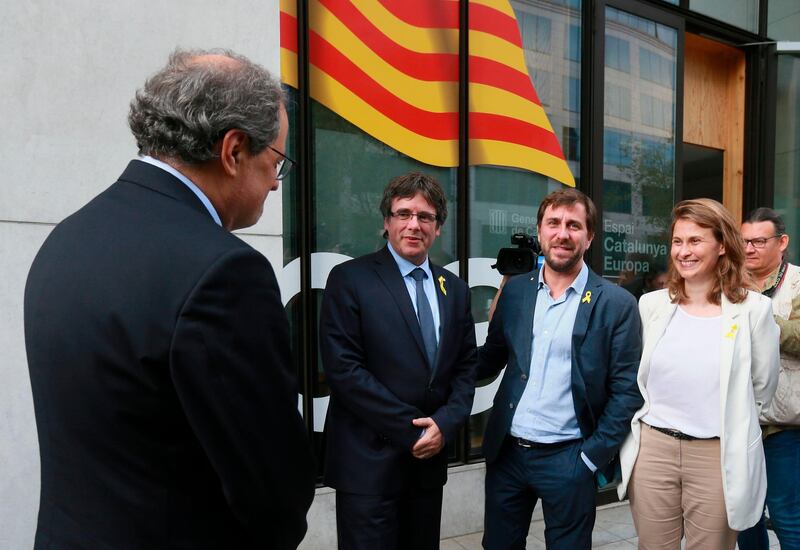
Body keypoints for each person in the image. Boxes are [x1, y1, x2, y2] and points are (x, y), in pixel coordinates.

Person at [24, 49, 315, 549]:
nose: (274, 182)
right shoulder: (226, 272)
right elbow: (272, 488)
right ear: (233, 150)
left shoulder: (67, 237)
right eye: (276, 162)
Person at [319, 172, 478, 550]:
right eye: (403, 213)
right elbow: (344, 370)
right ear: (386, 222)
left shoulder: (454, 290)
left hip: (426, 469)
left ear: (438, 227)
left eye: (425, 217)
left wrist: (445, 423)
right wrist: (415, 431)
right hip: (368, 468)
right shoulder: (349, 279)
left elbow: (466, 368)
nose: (413, 225)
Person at [478, 188, 643, 549]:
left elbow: (627, 390)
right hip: (509, 456)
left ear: (589, 236)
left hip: (569, 458)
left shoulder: (616, 304)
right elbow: (488, 359)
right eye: (553, 223)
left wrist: (589, 458)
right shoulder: (517, 292)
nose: (562, 233)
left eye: (574, 225)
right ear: (540, 232)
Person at [618, 199, 780, 550]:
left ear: (722, 245)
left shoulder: (754, 311)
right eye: (678, 241)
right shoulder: (652, 305)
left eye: (695, 241)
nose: (683, 251)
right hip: (653, 449)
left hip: (716, 455)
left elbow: (762, 390)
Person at [738, 208, 800, 550]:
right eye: (744, 240)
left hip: (784, 424)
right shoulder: (731, 283)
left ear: (782, 242)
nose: (749, 248)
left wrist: (761, 321)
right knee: (745, 515)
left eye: (759, 241)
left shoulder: (797, 281)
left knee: (787, 513)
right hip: (739, 420)